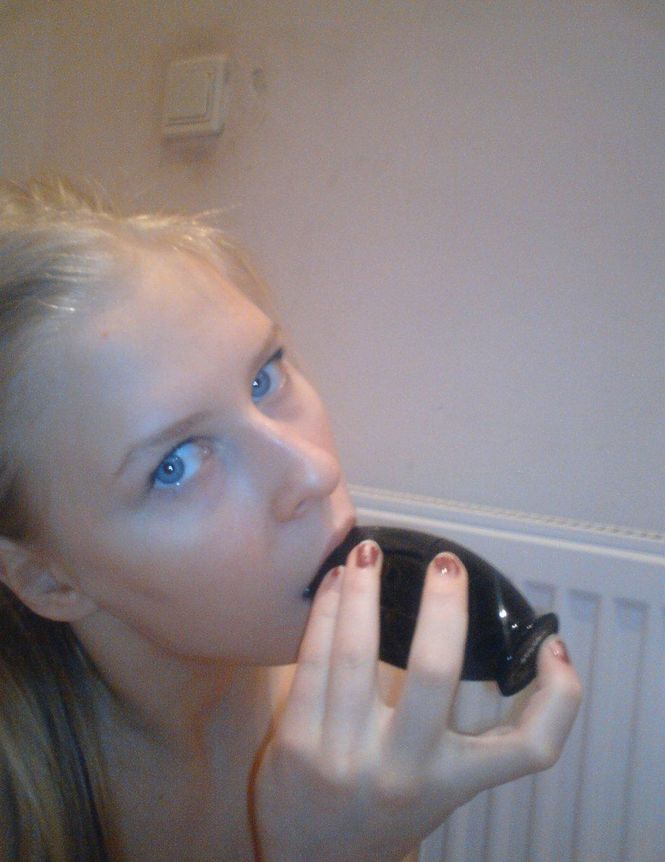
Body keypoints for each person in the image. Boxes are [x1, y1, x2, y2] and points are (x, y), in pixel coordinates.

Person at [0, 175, 582, 862]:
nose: (315, 471)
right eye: (175, 465)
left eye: (264, 378)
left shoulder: (344, 694)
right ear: (47, 579)